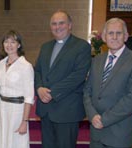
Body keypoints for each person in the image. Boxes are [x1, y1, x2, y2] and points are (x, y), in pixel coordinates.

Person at [83, 18, 132, 148]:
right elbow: (87, 91)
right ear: (104, 37)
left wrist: (104, 120)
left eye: (119, 33)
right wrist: (92, 115)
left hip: (119, 134)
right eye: (110, 33)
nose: (114, 37)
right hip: (96, 132)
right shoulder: (97, 60)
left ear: (126, 36)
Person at [34, 10, 91, 148]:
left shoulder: (82, 46)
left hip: (67, 109)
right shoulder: (45, 47)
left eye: (61, 23)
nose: (57, 27)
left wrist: (51, 93)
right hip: (46, 110)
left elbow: (78, 75)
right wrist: (39, 88)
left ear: (70, 25)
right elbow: (38, 71)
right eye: (54, 24)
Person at [0, 30, 34, 148]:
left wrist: (24, 122)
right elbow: (0, 89)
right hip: (2, 109)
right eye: (6, 42)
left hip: (17, 111)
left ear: (19, 45)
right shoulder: (1, 63)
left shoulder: (26, 66)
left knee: (16, 143)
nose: (9, 45)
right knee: (2, 142)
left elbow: (29, 97)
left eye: (13, 42)